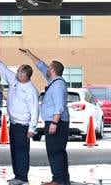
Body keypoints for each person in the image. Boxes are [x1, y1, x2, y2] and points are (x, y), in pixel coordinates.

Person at [0, 48, 39, 185]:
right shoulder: (14, 80)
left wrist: (32, 128)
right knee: (14, 151)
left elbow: (35, 109)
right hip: (13, 123)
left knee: (22, 152)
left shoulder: (31, 90)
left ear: (24, 74)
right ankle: (18, 176)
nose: (16, 72)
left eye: (19, 71)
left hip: (24, 125)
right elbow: (3, 68)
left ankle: (23, 178)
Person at [20, 48, 70, 185]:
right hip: (55, 122)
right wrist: (30, 55)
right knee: (58, 151)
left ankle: (59, 180)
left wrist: (54, 123)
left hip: (56, 123)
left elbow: (59, 105)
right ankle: (62, 179)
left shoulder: (58, 85)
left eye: (49, 67)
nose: (46, 68)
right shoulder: (53, 81)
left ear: (53, 70)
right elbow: (41, 66)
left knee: (55, 151)